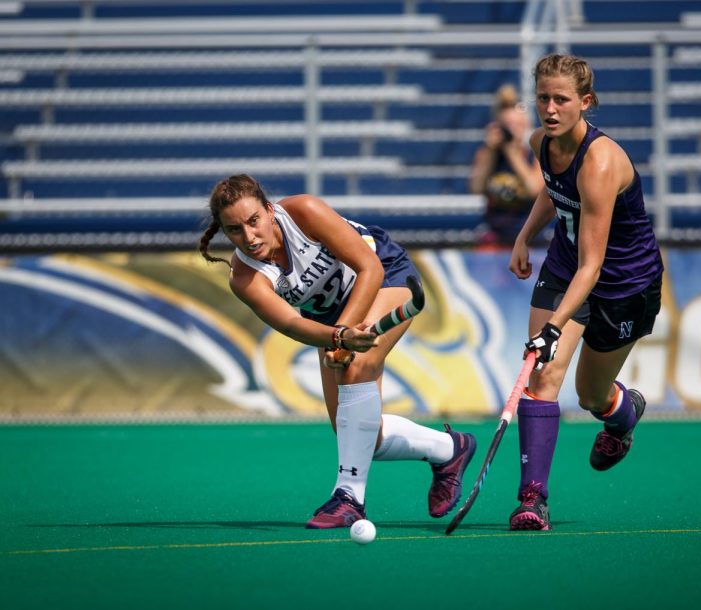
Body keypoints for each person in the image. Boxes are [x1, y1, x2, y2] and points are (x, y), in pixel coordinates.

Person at [198, 174, 477, 529]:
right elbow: (291, 325)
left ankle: (349, 498)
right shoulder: (244, 277)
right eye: (235, 230)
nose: (249, 237)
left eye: (254, 221)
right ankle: (449, 450)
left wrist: (343, 337)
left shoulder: (304, 212)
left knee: (356, 368)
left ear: (269, 211)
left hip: (387, 276)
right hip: (330, 320)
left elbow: (368, 268)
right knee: (358, 435)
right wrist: (338, 336)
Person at [507, 54, 664, 531]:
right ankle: (532, 499)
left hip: (623, 283)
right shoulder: (541, 142)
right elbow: (554, 191)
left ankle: (621, 416)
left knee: (590, 394)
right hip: (563, 267)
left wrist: (553, 327)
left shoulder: (600, 162)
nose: (550, 109)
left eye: (562, 100)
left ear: (585, 102)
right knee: (541, 379)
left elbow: (593, 265)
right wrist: (523, 235)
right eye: (543, 99)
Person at [469, 84, 544, 248]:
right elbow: (476, 187)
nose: (513, 130)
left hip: (530, 235)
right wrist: (490, 150)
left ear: (526, 126)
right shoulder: (488, 154)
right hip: (495, 235)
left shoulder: (536, 155)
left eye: (517, 125)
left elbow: (533, 189)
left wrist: (512, 153)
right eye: (507, 125)